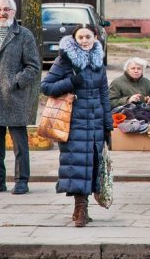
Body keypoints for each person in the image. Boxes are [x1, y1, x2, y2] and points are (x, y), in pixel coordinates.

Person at [40, 24, 112, 227]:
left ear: (95, 37)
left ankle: (81, 208)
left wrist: (108, 124)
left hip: (95, 123)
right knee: (77, 166)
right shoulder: (65, 60)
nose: (84, 41)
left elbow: (104, 94)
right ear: (74, 39)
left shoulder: (99, 61)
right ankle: (80, 209)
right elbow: (46, 87)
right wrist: (71, 81)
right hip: (73, 123)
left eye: (88, 37)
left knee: (92, 166)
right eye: (80, 37)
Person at [0, 0, 41, 196]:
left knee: (19, 143)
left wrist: (16, 82)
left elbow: (33, 66)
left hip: (14, 96)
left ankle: (22, 180)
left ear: (14, 12)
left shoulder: (24, 35)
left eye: (7, 9)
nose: (2, 13)